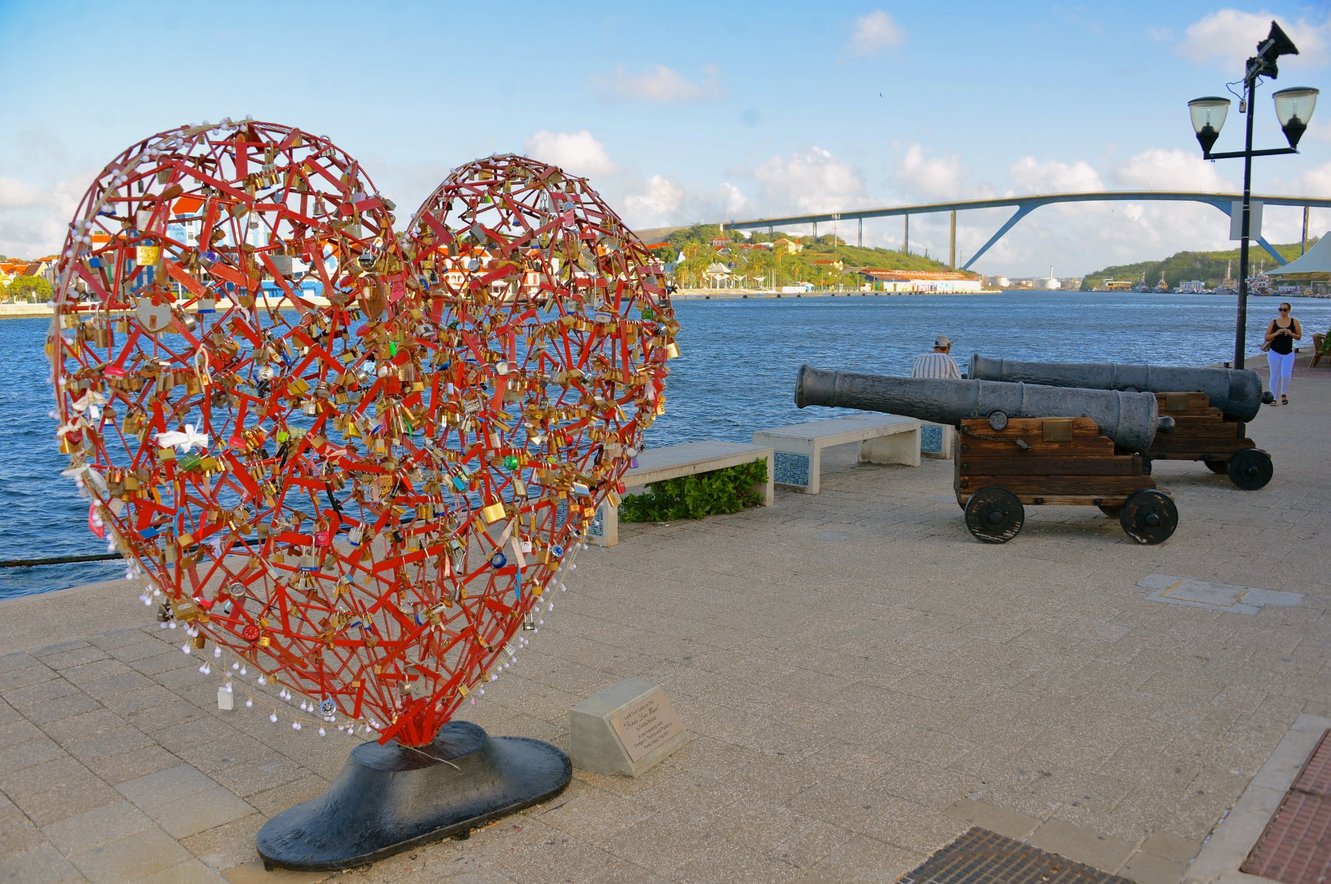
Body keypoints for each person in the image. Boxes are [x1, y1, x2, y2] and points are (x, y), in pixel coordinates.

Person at [1264, 302, 1302, 405]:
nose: (1282, 312)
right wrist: (1276, 333)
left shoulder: (1294, 322)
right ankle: (1273, 398)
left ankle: (1284, 394)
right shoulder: (1274, 322)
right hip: (1274, 352)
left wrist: (1291, 333)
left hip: (1288, 353)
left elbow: (1299, 336)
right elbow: (1266, 337)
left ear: (1289, 310)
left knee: (1286, 375)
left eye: (1284, 310)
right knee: (1274, 376)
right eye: (1280, 309)